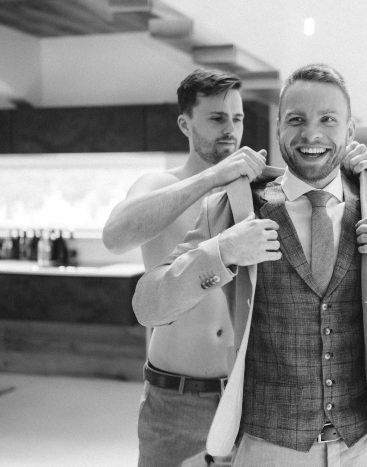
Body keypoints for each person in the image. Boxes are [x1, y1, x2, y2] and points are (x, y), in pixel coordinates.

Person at [132, 64, 367, 467]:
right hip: (268, 451)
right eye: (296, 119)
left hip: (364, 449)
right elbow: (148, 306)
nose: (311, 134)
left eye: (327, 119)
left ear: (349, 130)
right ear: (278, 128)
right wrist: (221, 252)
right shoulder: (232, 209)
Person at [102, 68, 268, 466]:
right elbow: (115, 237)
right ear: (185, 124)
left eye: (237, 118)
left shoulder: (256, 192)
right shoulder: (160, 185)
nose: (230, 130)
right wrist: (211, 177)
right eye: (217, 118)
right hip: (177, 398)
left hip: (249, 398)